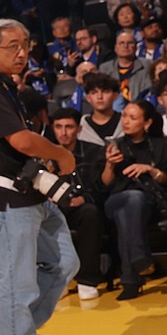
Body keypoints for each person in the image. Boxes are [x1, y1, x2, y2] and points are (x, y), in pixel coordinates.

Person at [0, 19, 79, 335]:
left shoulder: (5, 84)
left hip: (30, 194)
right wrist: (61, 153)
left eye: (25, 45)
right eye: (12, 46)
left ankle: (15, 333)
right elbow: (21, 141)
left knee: (64, 263)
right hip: (5, 201)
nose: (22, 52)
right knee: (18, 283)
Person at [100, 100, 167, 300]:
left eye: (133, 117)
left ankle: (131, 278)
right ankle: (139, 257)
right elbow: (104, 184)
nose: (126, 121)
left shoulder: (163, 145)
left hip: (151, 203)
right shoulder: (115, 146)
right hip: (115, 200)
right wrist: (110, 165)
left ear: (147, 123)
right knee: (131, 200)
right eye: (124, 116)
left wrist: (150, 169)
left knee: (129, 210)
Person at [48, 108, 109, 300]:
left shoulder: (94, 152)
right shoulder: (45, 153)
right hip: (52, 208)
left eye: (69, 127)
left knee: (90, 212)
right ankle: (57, 280)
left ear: (79, 129)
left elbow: (102, 188)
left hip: (83, 206)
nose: (63, 132)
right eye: (58, 127)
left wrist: (84, 198)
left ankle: (87, 280)